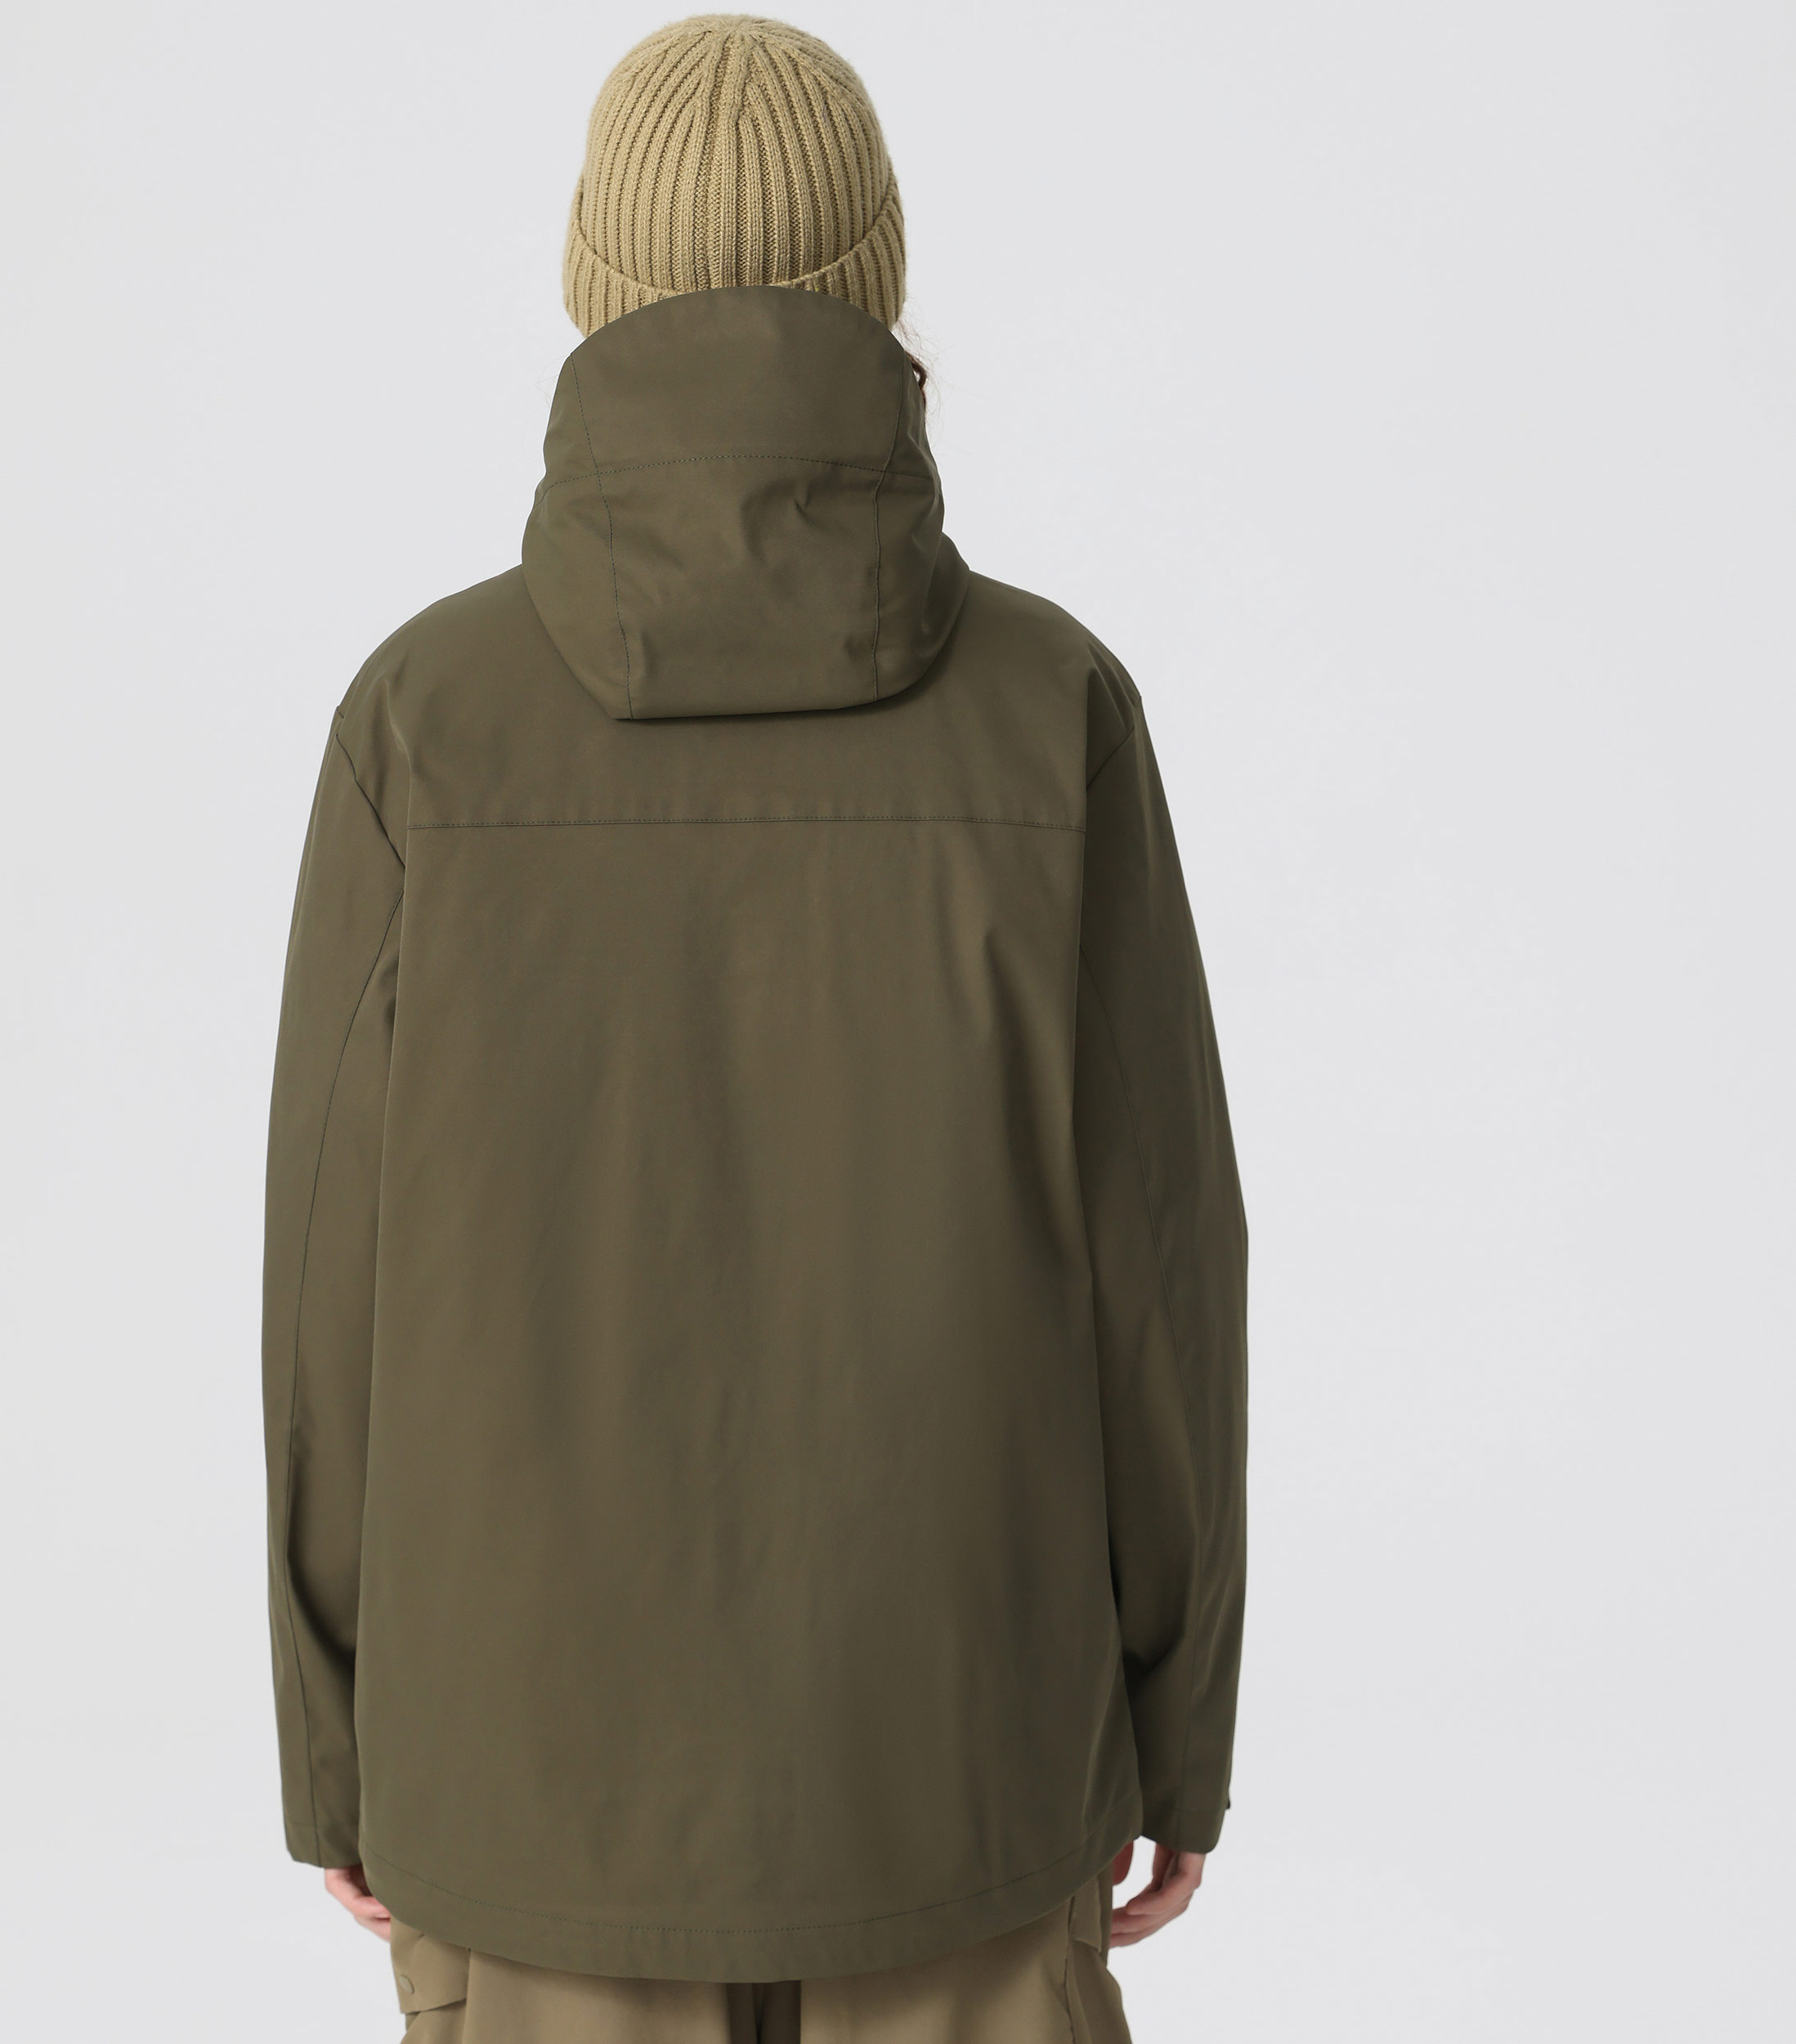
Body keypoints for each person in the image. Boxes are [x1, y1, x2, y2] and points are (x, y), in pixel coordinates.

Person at [261, 16, 1247, 2041]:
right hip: (965, 1774)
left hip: (525, 1796)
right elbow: (1160, 1270)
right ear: (876, 285)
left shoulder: (421, 723)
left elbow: (326, 1280)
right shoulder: (1051, 715)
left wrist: (338, 1747)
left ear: (588, 285)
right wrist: (1174, 1727)